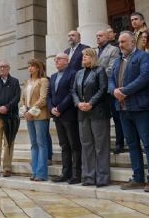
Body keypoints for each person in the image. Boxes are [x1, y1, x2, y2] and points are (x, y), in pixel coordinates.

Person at [109, 31, 149, 192]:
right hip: (123, 109)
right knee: (132, 144)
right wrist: (114, 91)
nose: (120, 44)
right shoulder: (117, 61)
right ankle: (138, 178)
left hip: (141, 107)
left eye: (124, 41)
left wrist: (125, 91)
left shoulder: (143, 57)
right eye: (119, 42)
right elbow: (110, 79)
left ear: (133, 42)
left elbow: (145, 77)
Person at [71, 48, 111, 187]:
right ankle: (88, 177)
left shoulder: (100, 71)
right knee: (86, 145)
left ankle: (102, 178)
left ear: (93, 57)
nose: (84, 58)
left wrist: (91, 103)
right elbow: (73, 91)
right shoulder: (79, 73)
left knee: (101, 146)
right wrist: (78, 103)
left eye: (87, 55)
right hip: (82, 112)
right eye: (83, 56)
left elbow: (103, 89)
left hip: (98, 112)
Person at [47, 53, 81, 184]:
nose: (56, 61)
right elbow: (49, 95)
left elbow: (71, 93)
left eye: (59, 59)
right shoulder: (54, 76)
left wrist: (59, 108)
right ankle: (65, 173)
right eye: (55, 59)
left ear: (66, 61)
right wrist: (51, 108)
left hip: (68, 114)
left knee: (74, 145)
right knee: (64, 145)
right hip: (56, 116)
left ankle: (77, 174)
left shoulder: (73, 73)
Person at [0, 60, 21, 178]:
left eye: (4, 67)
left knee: (9, 143)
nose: (2, 69)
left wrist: (7, 107)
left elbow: (17, 97)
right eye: (0, 67)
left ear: (8, 68)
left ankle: (7, 168)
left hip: (10, 118)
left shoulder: (15, 82)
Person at [20, 58, 50, 182]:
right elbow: (22, 98)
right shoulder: (27, 82)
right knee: (33, 144)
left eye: (32, 66)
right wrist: (25, 111)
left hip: (40, 116)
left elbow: (43, 99)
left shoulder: (43, 81)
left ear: (38, 68)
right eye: (29, 66)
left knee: (41, 144)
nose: (30, 68)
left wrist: (31, 111)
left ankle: (41, 173)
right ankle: (34, 171)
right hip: (28, 116)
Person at [96, 29, 123, 154]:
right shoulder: (95, 51)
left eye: (100, 36)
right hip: (97, 91)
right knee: (103, 118)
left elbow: (111, 68)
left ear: (107, 37)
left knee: (117, 117)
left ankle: (119, 143)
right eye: (97, 36)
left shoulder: (114, 50)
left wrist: (95, 77)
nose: (98, 38)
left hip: (109, 89)